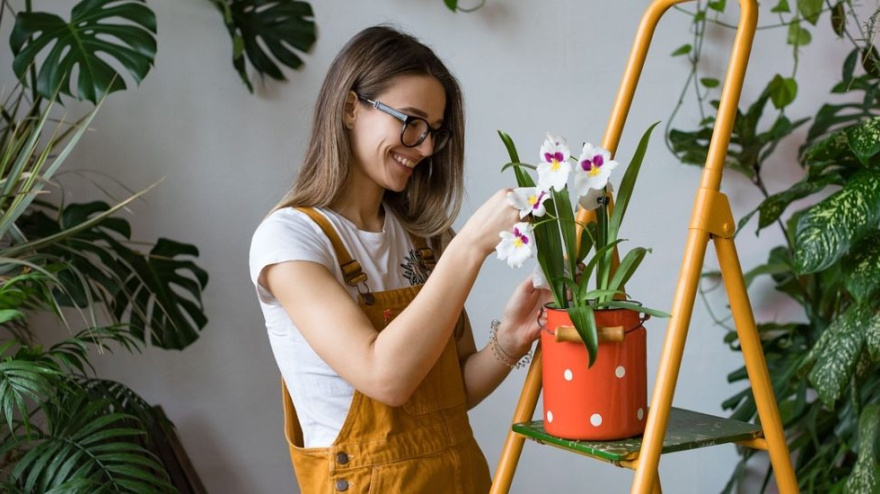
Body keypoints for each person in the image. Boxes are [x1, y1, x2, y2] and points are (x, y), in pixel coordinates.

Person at [249, 25, 548, 494]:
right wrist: (470, 247)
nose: (425, 147)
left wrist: (509, 340)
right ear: (351, 108)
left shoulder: (423, 237)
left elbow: (453, 391)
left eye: (434, 132)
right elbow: (385, 378)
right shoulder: (290, 241)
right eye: (411, 121)